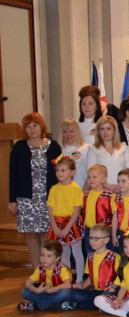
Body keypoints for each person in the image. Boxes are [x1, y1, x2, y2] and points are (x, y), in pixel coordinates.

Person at [9, 112, 62, 267]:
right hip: (27, 199)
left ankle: (49, 271)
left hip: (49, 198)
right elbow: (13, 174)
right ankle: (36, 273)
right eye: (28, 126)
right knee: (32, 235)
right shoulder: (19, 147)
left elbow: (61, 173)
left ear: (42, 126)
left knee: (47, 234)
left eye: (35, 125)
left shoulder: (53, 146)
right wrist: (12, 199)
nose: (32, 129)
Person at [46, 157, 85, 279]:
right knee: (63, 253)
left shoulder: (76, 189)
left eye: (63, 170)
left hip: (71, 224)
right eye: (57, 170)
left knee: (77, 253)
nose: (59, 173)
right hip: (57, 224)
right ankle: (66, 279)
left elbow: (77, 210)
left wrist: (67, 228)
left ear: (72, 172)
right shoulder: (54, 189)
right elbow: (50, 209)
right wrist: (55, 227)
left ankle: (79, 280)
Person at [65, 224, 119, 311]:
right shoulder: (90, 256)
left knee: (105, 295)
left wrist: (114, 285)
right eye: (90, 238)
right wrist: (83, 286)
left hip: (109, 290)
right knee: (74, 293)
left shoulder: (114, 256)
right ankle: (101, 305)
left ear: (106, 240)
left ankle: (83, 305)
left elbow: (121, 276)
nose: (92, 241)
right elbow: (91, 276)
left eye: (96, 239)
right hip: (95, 291)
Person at [17, 240, 74, 312]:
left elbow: (68, 285)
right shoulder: (40, 268)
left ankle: (38, 306)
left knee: (66, 293)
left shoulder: (62, 268)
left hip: (57, 292)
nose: (44, 259)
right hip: (46, 292)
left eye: (49, 256)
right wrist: (36, 290)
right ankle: (51, 304)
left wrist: (52, 290)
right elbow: (28, 283)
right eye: (42, 255)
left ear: (57, 258)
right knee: (24, 292)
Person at [86, 116, 129, 192]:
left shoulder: (124, 147)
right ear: (98, 131)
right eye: (102, 129)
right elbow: (91, 173)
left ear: (114, 130)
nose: (105, 132)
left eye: (108, 128)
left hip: (123, 191)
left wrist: (120, 186)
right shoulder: (93, 149)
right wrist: (107, 186)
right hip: (101, 192)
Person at [111, 168, 129, 253]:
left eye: (123, 181)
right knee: (121, 257)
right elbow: (115, 218)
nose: (120, 184)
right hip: (121, 232)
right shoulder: (116, 198)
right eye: (118, 181)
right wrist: (113, 235)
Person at [60, 119, 93, 190]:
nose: (68, 134)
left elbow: (91, 173)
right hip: (63, 192)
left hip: (82, 191)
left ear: (77, 132)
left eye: (71, 131)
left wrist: (84, 191)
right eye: (65, 132)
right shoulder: (58, 151)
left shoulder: (87, 148)